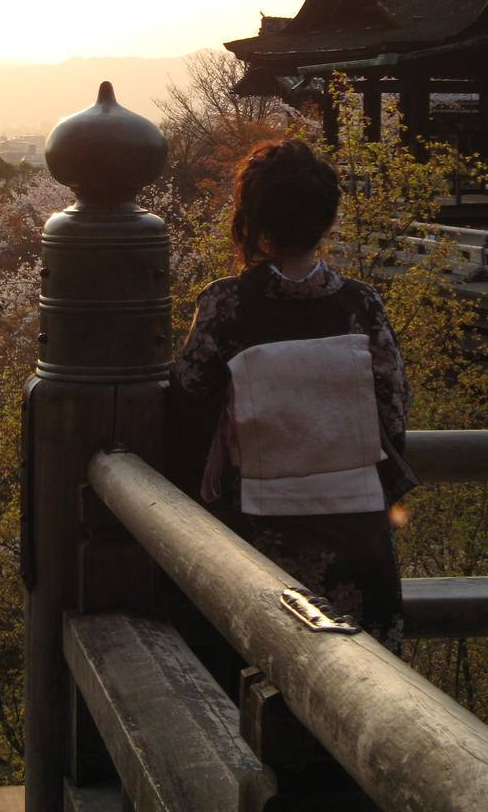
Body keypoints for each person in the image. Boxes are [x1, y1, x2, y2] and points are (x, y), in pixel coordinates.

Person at [169, 139, 411, 653]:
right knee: (364, 691)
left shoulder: (227, 306)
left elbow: (188, 399)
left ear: (252, 220)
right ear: (326, 219)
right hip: (358, 529)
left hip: (260, 533)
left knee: (260, 684)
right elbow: (392, 413)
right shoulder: (361, 306)